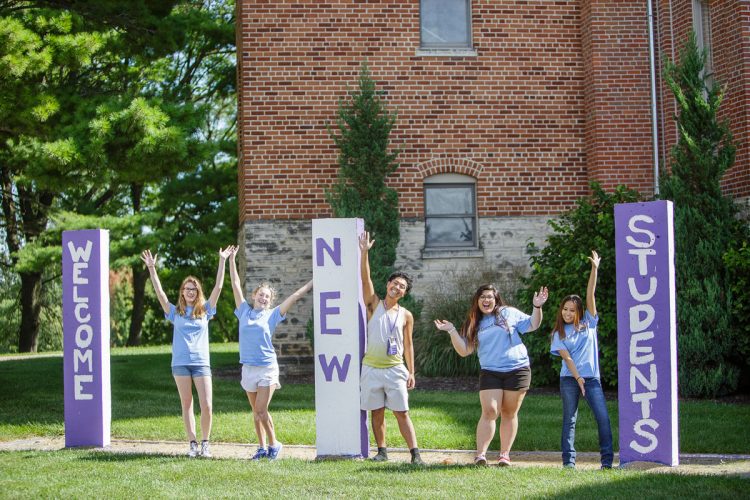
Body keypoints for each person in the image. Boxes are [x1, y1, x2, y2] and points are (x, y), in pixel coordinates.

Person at [434, 283, 548, 467]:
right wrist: (452, 331)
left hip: (517, 369)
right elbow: (464, 350)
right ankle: (481, 455)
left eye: (489, 297)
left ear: (496, 300)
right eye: (482, 297)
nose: (486, 300)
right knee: (490, 411)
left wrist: (537, 307)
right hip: (490, 371)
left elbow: (533, 324)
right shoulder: (474, 323)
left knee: (509, 412)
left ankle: (504, 455)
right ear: (477, 301)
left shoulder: (508, 313)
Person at [140, 247, 231, 458]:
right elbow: (160, 294)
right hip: (180, 363)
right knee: (187, 403)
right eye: (187, 289)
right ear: (182, 292)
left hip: (201, 363)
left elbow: (218, 287)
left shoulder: (206, 311)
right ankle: (192, 443)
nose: (190, 291)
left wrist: (222, 260)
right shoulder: (175, 312)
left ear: (198, 292)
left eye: (194, 289)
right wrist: (152, 269)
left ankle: (205, 443)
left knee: (207, 405)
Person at [228, 246, 313, 461]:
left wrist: (313, 282)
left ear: (270, 300)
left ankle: (275, 444)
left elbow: (294, 296)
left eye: (267, 296)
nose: (264, 298)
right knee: (256, 414)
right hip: (248, 367)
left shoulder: (273, 315)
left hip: (267, 367)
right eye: (261, 295)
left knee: (260, 410)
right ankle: (261, 447)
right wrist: (230, 260)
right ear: (254, 295)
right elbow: (235, 285)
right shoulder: (244, 311)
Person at [358, 232, 423, 465]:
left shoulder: (406, 315)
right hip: (371, 367)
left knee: (401, 412)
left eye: (402, 286)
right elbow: (365, 281)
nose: (397, 287)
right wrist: (364, 252)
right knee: (376, 412)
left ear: (405, 293)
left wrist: (411, 371)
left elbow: (408, 344)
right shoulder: (373, 304)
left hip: (395, 369)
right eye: (395, 283)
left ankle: (415, 454)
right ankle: (382, 451)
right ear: (388, 285)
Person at [549, 250, 613, 469]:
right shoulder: (559, 333)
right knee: (570, 420)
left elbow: (590, 296)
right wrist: (578, 380)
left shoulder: (589, 324)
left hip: (592, 379)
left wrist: (594, 269)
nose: (567, 313)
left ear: (579, 312)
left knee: (603, 419)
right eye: (565, 309)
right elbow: (566, 359)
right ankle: (569, 463)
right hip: (570, 379)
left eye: (571, 310)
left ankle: (607, 463)